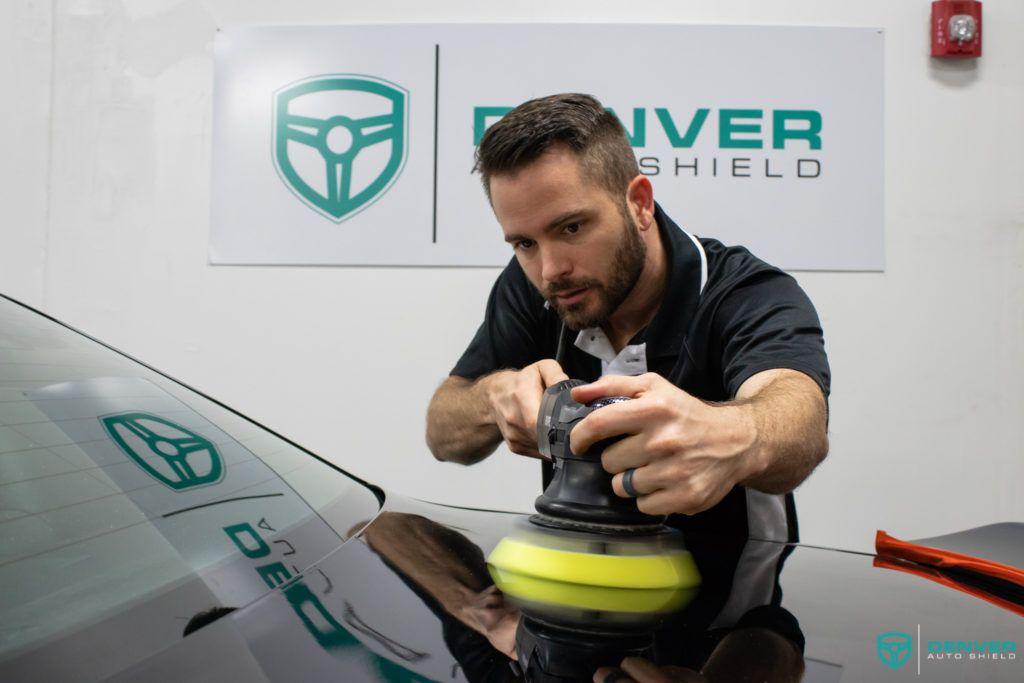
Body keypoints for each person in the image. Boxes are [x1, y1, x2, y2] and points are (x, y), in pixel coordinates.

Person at [425, 93, 830, 541]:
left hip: (737, 594)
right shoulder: (534, 285)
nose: (550, 270)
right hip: (578, 584)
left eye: (572, 228)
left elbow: (801, 422)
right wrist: (493, 397)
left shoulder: (744, 290)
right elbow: (442, 432)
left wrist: (733, 433)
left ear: (639, 203)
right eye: (524, 243)